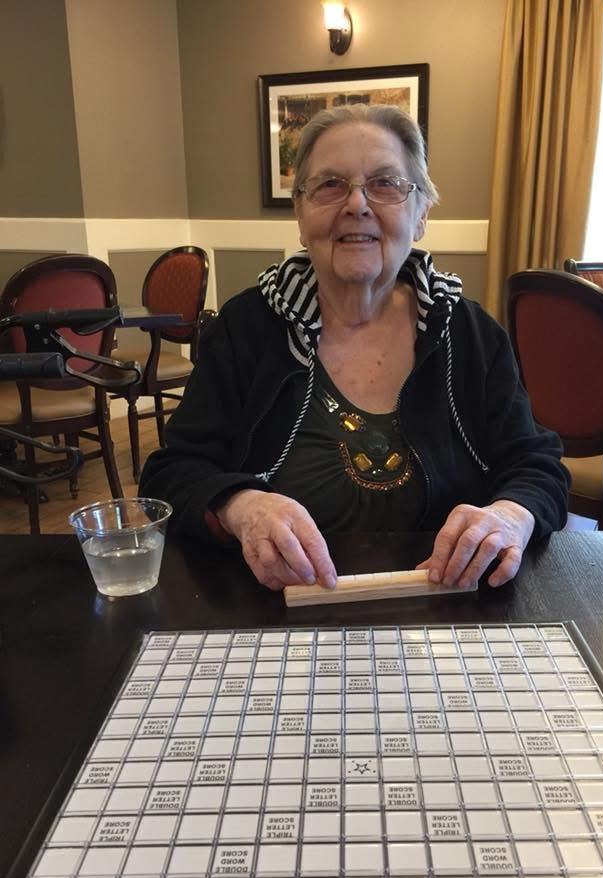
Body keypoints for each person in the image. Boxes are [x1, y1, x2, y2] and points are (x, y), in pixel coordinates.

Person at [139, 104, 569, 592]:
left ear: (421, 212)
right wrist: (241, 505)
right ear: (300, 215)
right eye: (329, 185)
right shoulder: (247, 327)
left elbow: (537, 464)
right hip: (274, 608)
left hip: (449, 608)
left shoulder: (469, 332)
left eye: (385, 184)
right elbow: (170, 475)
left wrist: (510, 516)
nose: (357, 205)